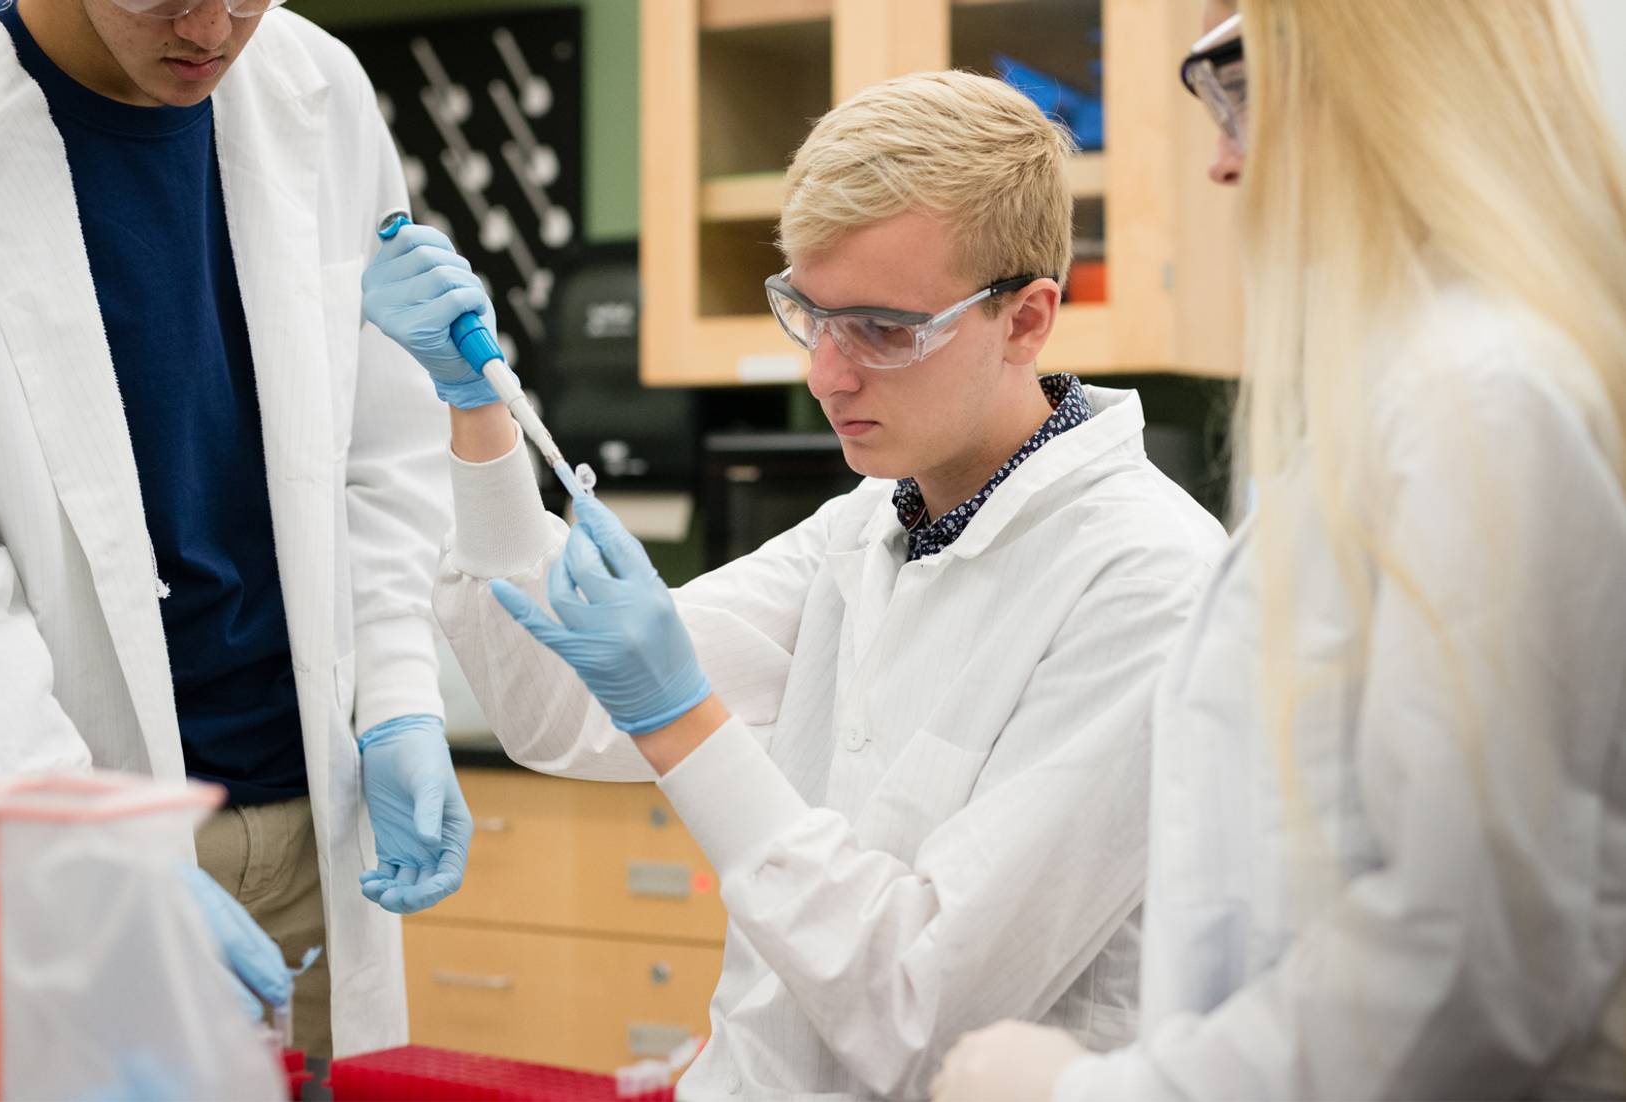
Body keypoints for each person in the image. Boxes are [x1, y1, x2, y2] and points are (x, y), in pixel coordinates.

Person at [364, 69, 1229, 1098]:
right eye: (807, 313)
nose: (826, 371)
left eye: (883, 328)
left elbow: (919, 1013)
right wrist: (478, 410)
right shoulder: (869, 525)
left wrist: (684, 721)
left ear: (1028, 318)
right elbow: (553, 710)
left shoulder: (1150, 583)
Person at [933, 1, 1626, 1097]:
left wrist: (1092, 1091)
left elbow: (1469, 966)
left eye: (1234, 82)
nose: (1218, 161)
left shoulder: (1481, 401)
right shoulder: (1411, 405)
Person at [0, 0, 471, 1057]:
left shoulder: (317, 87)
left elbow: (382, 456)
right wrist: (101, 859)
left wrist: (397, 701)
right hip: (65, 835)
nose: (212, 27)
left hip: (319, 834)